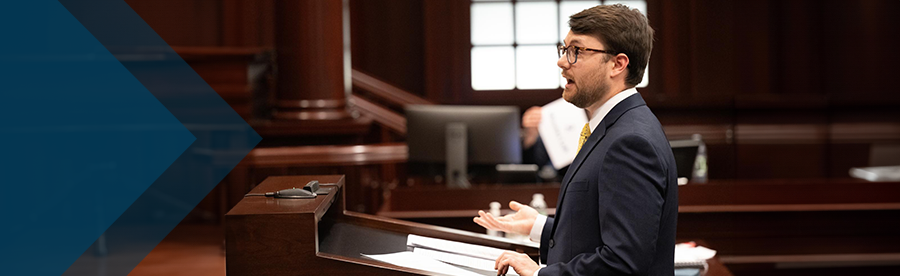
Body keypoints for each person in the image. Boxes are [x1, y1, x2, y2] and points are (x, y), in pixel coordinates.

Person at [474, 4, 678, 276]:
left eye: (577, 51)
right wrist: (539, 226)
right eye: (564, 49)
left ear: (618, 64)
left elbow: (623, 261)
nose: (562, 62)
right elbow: (598, 233)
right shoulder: (613, 126)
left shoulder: (630, 142)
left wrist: (538, 274)